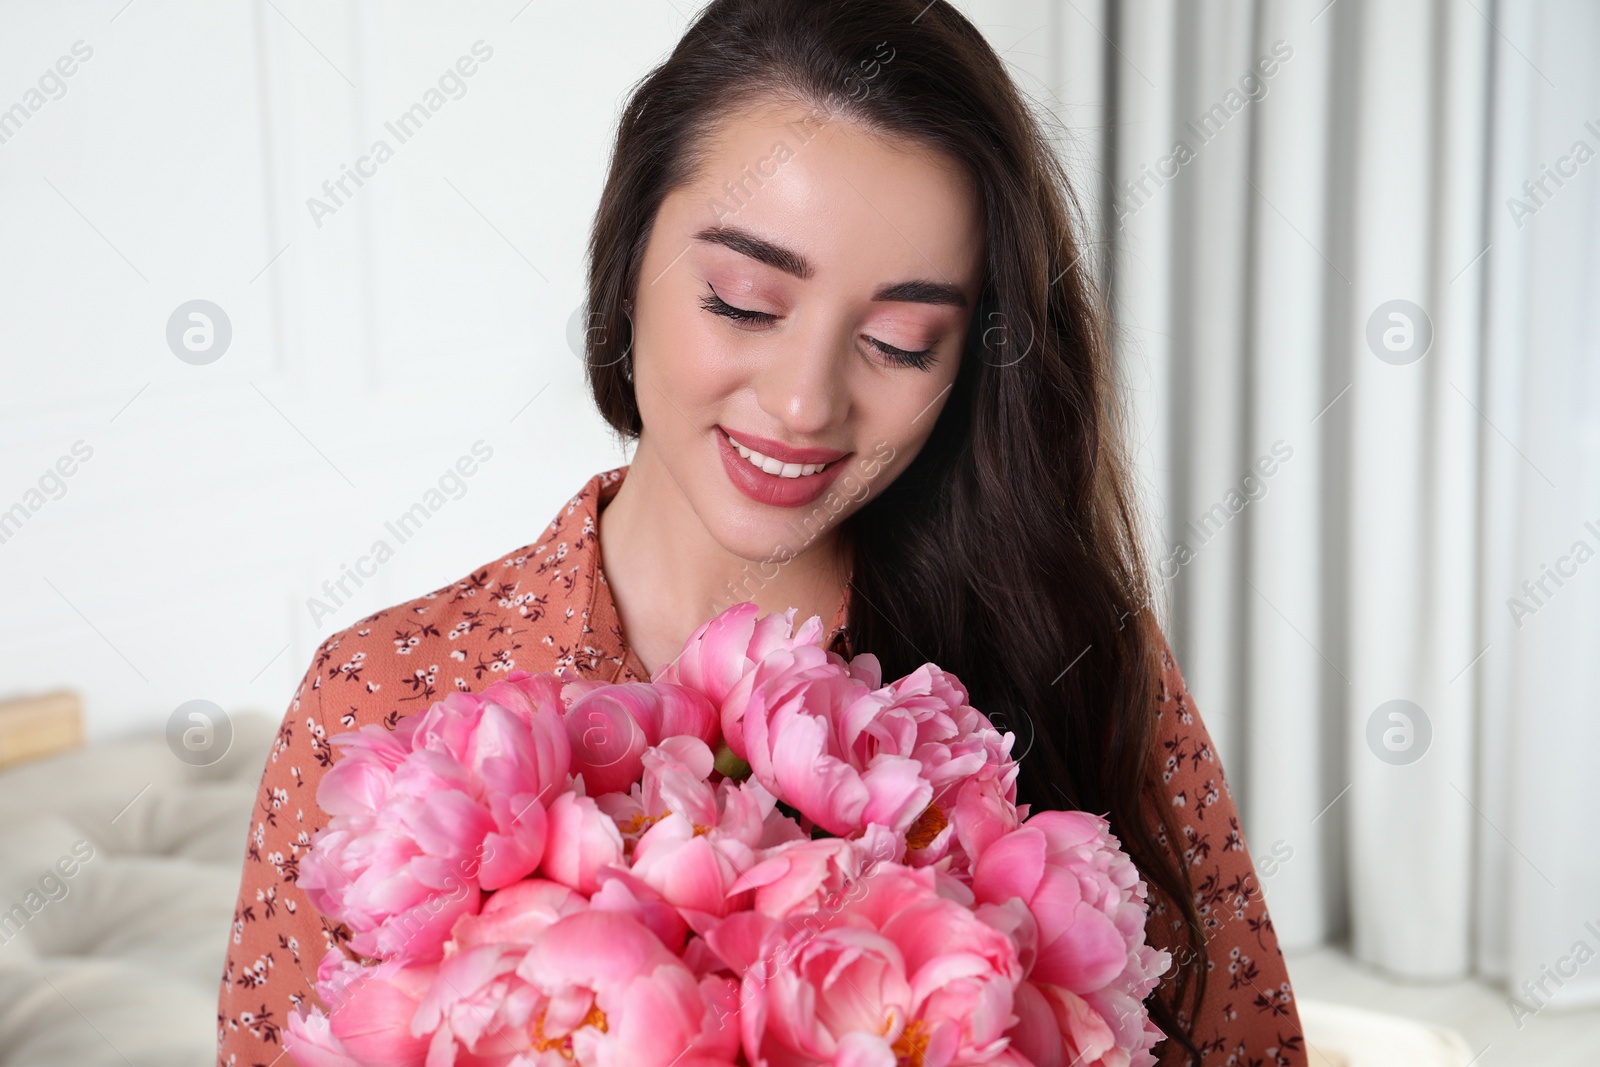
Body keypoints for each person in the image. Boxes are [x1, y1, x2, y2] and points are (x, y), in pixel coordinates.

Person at [217, 1, 1306, 1063]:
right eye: (742, 300)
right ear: (628, 254)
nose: (801, 403)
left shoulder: (1074, 654)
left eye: (898, 340)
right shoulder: (380, 696)